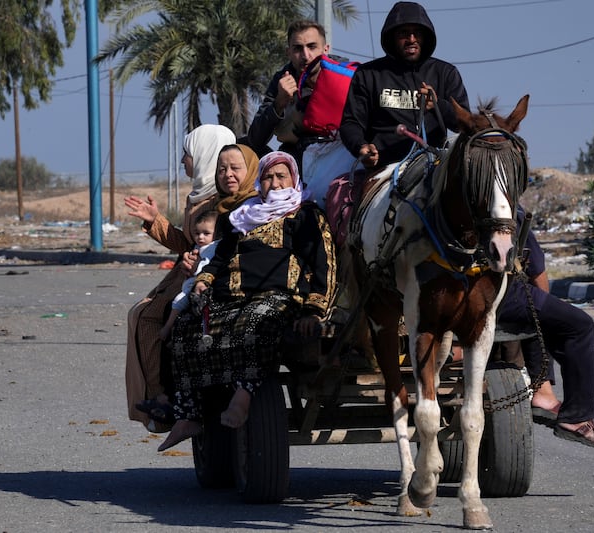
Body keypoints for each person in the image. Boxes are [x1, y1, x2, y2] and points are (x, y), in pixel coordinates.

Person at [157, 151, 337, 452]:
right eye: (268, 177)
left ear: (294, 179)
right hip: (230, 297)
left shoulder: (304, 215)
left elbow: (325, 264)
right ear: (259, 182)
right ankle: (189, 415)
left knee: (256, 323)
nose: (275, 183)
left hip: (278, 296)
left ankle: (243, 396)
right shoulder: (242, 216)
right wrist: (204, 280)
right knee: (186, 327)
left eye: (282, 176)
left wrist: (314, 309)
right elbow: (221, 257)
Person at [123, 126, 252, 432]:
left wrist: (195, 262)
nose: (183, 160)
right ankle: (160, 397)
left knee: (147, 316)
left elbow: (209, 248)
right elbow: (189, 242)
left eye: (188, 153)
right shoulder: (202, 194)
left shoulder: (222, 198)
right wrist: (156, 221)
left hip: (204, 278)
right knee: (142, 314)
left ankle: (161, 398)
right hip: (189, 273)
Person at [498, 210, 594, 448]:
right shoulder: (506, 207)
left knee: (536, 309)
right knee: (577, 325)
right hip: (497, 296)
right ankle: (573, 415)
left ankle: (543, 392)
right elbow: (536, 272)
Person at [339, 1, 470, 169]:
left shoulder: (445, 73)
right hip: (383, 169)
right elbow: (351, 123)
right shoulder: (368, 74)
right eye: (404, 33)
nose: (411, 39)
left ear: (425, 37)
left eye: (417, 33)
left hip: (435, 168)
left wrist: (438, 106)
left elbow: (466, 125)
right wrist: (361, 147)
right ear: (392, 37)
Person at [245, 20, 330, 161]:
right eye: (297, 48)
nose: (305, 55)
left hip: (338, 151)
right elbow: (255, 139)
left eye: (312, 47)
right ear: (288, 52)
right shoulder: (281, 80)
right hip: (297, 157)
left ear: (325, 49)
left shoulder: (346, 75)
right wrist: (279, 102)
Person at [159, 210, 219, 342]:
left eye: (206, 233)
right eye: (197, 233)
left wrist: (195, 270)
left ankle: (167, 328)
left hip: (200, 284)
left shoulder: (213, 247)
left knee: (178, 301)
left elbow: (206, 267)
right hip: (191, 283)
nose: (201, 237)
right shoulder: (199, 246)